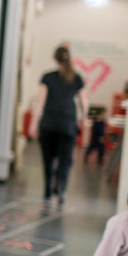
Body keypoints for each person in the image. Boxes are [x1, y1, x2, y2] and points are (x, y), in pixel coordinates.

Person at [30, 45, 89, 204]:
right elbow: (84, 101)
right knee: (65, 159)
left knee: (47, 158)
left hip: (49, 123)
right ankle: (60, 188)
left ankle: (48, 189)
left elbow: (40, 103)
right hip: (67, 123)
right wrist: (82, 118)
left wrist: (33, 124)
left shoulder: (47, 77)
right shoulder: (76, 77)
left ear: (54, 58)